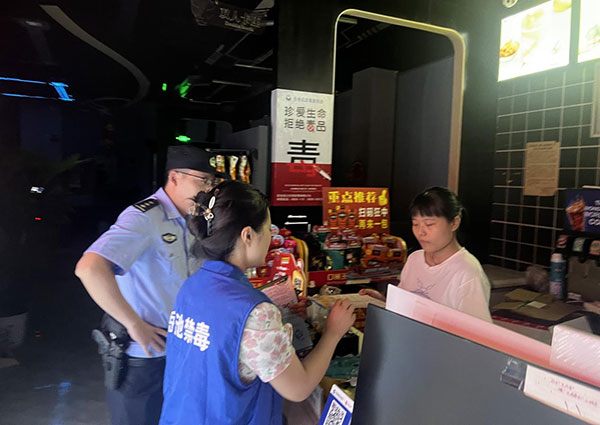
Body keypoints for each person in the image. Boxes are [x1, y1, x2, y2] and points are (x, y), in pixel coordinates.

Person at [159, 180, 356, 425]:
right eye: (268, 228)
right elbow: (299, 388)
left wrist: (280, 318)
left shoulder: (191, 285)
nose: (270, 237)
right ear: (248, 235)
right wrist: (334, 333)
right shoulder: (256, 313)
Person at [75, 145, 224, 425]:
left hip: (180, 350)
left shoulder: (192, 220)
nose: (209, 189)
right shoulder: (144, 217)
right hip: (143, 356)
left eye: (212, 182)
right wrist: (133, 324)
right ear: (175, 177)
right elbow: (89, 268)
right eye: (203, 181)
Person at [361, 187, 492, 322]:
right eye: (415, 224)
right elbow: (406, 308)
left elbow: (477, 331)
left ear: (454, 223)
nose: (421, 232)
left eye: (429, 224)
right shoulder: (414, 259)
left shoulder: (468, 272)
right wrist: (383, 302)